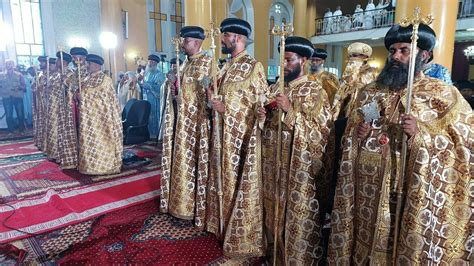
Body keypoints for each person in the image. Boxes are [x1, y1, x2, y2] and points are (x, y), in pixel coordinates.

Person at [328, 23, 472, 265]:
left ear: (424, 55)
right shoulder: (370, 91)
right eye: (392, 50)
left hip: (407, 187)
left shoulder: (442, 94)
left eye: (404, 50)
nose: (395, 56)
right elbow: (351, 132)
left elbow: (463, 145)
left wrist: (421, 135)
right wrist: (357, 134)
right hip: (366, 189)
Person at [258, 36, 332, 264]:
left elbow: (320, 134)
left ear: (305, 60)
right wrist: (262, 118)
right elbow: (267, 126)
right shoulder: (274, 88)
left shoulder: (314, 91)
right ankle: (273, 253)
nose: (283, 65)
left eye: (288, 60)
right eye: (281, 60)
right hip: (272, 164)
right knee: (272, 210)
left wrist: (290, 111)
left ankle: (297, 257)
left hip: (297, 169)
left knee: (294, 215)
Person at [206, 17, 268, 258]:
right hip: (220, 136)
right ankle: (219, 223)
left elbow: (260, 104)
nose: (222, 39)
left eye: (225, 35)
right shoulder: (224, 66)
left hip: (239, 138)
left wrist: (227, 109)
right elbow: (217, 97)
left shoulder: (254, 67)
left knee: (235, 179)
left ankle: (235, 227)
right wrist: (211, 96)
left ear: (238, 38)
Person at [160, 26, 212, 229]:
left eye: (186, 41)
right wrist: (173, 87)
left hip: (197, 126)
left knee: (195, 165)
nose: (182, 45)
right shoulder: (184, 64)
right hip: (181, 124)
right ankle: (178, 201)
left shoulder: (207, 63)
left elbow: (207, 96)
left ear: (197, 42)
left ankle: (194, 206)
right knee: (180, 162)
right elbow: (179, 94)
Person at [77, 54, 122, 175]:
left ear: (96, 65)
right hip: (88, 119)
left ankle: (103, 166)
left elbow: (104, 100)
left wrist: (84, 96)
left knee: (102, 139)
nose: (86, 66)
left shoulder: (104, 79)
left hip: (102, 119)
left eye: (88, 64)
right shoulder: (87, 79)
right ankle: (89, 165)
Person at [56, 47, 88, 170]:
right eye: (73, 58)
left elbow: (82, 87)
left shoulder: (86, 71)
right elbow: (71, 86)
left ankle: (83, 157)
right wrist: (66, 81)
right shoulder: (75, 71)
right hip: (72, 105)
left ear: (83, 58)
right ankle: (75, 157)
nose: (74, 60)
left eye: (76, 58)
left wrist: (70, 84)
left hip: (83, 106)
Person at [335, 42, 378, 118]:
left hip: (365, 107)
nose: (351, 59)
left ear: (365, 57)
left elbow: (372, 95)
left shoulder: (371, 72)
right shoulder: (350, 72)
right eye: (350, 56)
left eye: (355, 56)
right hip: (347, 108)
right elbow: (342, 91)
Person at [44, 52, 72, 161]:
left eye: (57, 60)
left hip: (62, 107)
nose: (55, 62)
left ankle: (61, 153)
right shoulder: (56, 74)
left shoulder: (69, 73)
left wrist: (65, 81)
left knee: (60, 129)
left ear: (63, 61)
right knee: (53, 127)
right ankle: (54, 152)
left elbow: (71, 88)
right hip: (52, 106)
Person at [308, 48, 340, 116]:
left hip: (323, 111)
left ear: (323, 61)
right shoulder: (306, 76)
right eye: (312, 60)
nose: (314, 62)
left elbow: (333, 98)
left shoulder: (330, 77)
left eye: (317, 60)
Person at [142, 54, 165, 139]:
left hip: (155, 100)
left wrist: (150, 87)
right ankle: (149, 133)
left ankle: (156, 135)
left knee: (154, 117)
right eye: (149, 61)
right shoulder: (147, 73)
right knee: (148, 116)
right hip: (147, 99)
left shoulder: (159, 74)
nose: (150, 63)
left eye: (152, 62)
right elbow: (144, 84)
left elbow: (161, 88)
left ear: (156, 63)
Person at [0, 60, 26, 134]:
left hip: (17, 97)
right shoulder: (1, 75)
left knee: (20, 114)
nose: (9, 65)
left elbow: (24, 86)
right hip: (7, 97)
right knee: (8, 115)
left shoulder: (19, 75)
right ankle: (10, 131)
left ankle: (22, 130)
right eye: (7, 64)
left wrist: (19, 88)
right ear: (5, 65)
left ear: (13, 65)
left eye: (10, 64)